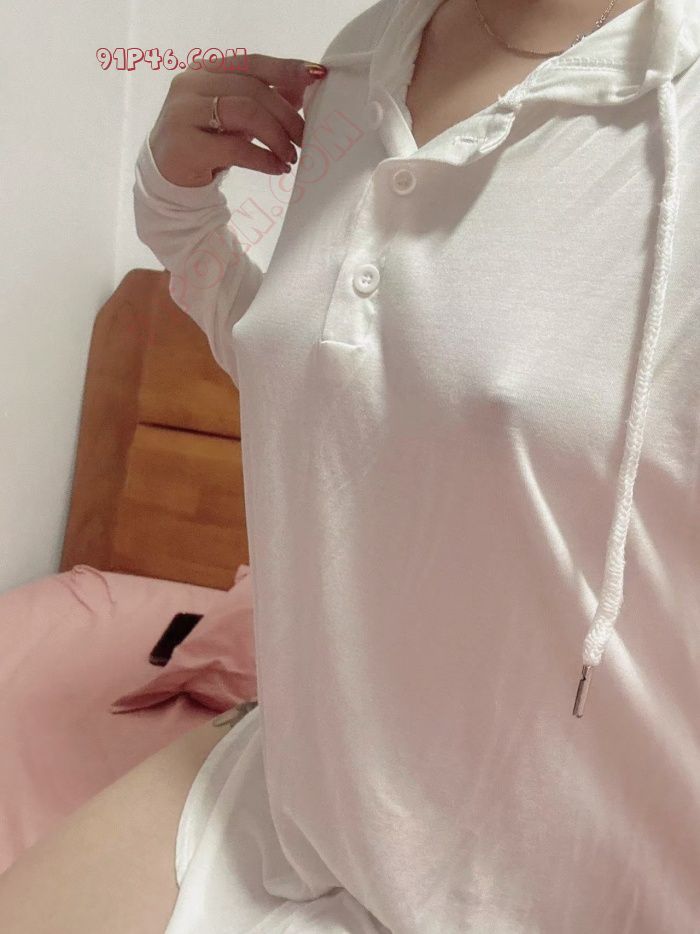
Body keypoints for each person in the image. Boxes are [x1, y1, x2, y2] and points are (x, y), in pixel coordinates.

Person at [2, 0, 700, 930]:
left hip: (590, 883)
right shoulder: (363, 62)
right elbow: (325, 381)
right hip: (310, 804)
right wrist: (177, 213)